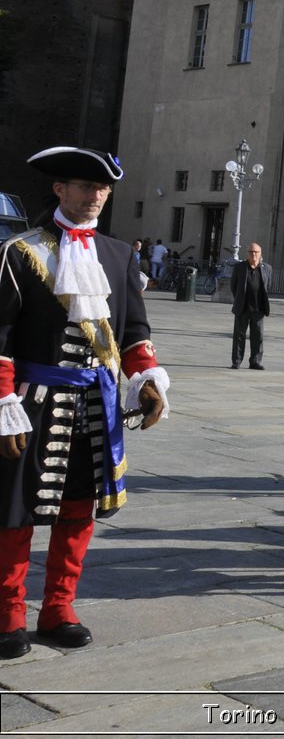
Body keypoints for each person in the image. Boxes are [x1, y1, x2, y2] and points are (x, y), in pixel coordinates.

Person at [0, 147, 171, 659]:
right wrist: (4, 403)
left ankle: (58, 608)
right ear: (59, 189)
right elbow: (1, 339)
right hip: (33, 404)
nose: (95, 196)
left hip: (95, 406)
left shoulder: (119, 256)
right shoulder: (20, 252)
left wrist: (147, 382)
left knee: (78, 511)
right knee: (15, 513)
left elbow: (136, 336)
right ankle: (8, 613)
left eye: (102, 189)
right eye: (83, 186)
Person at [229, 243, 270, 370]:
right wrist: (240, 299)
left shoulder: (267, 268)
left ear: (260, 253)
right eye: (251, 251)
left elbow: (268, 286)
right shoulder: (240, 267)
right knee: (239, 335)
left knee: (258, 336)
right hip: (243, 307)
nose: (254, 254)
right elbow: (233, 286)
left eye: (256, 252)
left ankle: (255, 361)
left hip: (258, 309)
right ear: (247, 253)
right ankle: (237, 361)